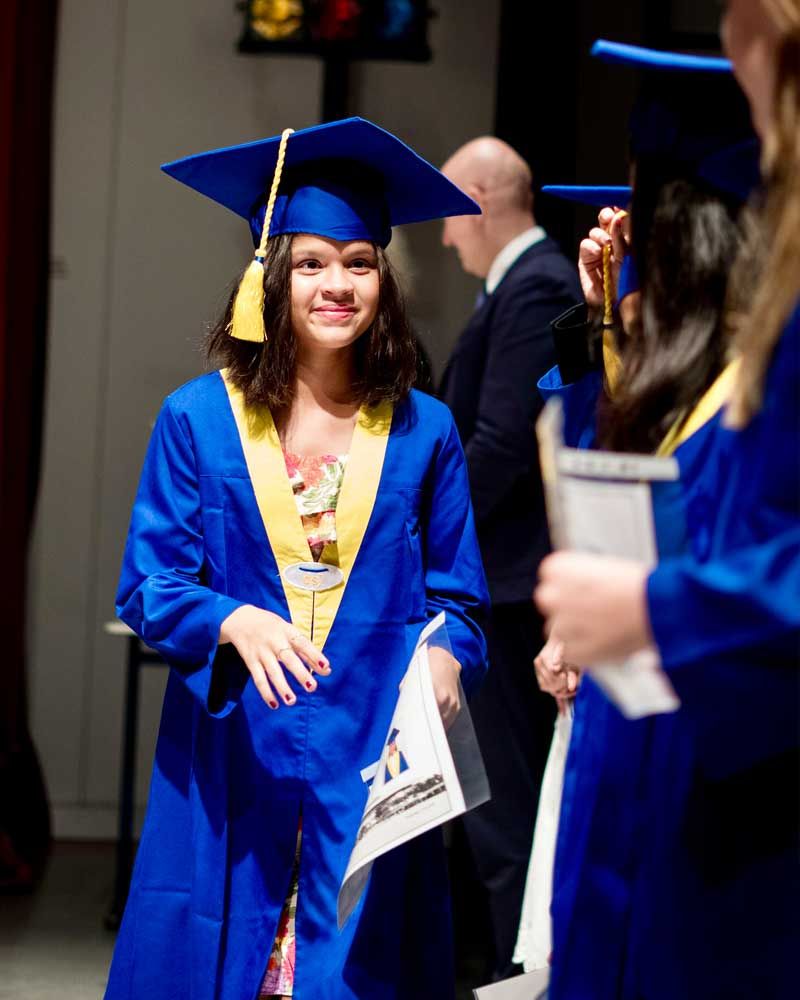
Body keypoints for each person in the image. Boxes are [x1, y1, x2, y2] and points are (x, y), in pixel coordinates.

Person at [104, 117, 490, 1000]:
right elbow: (150, 583)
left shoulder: (425, 429)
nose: (337, 285)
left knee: (357, 969)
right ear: (268, 279)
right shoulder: (197, 419)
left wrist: (443, 653)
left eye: (359, 262)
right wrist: (230, 617)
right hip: (238, 754)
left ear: (384, 281)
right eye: (311, 263)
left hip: (369, 760)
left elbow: (460, 598)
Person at [536, 7, 800, 997]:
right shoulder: (674, 377)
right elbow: (577, 427)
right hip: (627, 741)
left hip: (707, 770)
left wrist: (640, 611)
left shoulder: (755, 390)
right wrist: (586, 307)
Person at [438, 136, 581, 980]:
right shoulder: (541, 286)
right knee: (494, 810)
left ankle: (510, 982)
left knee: (503, 814)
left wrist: (429, 541)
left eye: (454, 212)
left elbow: (502, 447)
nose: (449, 234)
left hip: (506, 584)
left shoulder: (539, 289)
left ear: (481, 200)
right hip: (508, 580)